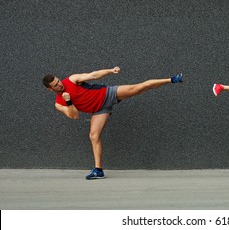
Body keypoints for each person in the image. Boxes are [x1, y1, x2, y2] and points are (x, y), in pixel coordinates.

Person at [43, 67, 183, 180]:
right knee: (93, 136)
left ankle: (172, 79)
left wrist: (110, 71)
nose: (60, 84)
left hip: (107, 94)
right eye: (56, 85)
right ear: (50, 89)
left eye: (58, 81)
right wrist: (68, 101)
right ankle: (98, 170)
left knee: (139, 88)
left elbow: (93, 75)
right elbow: (75, 116)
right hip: (99, 110)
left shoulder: (72, 80)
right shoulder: (59, 103)